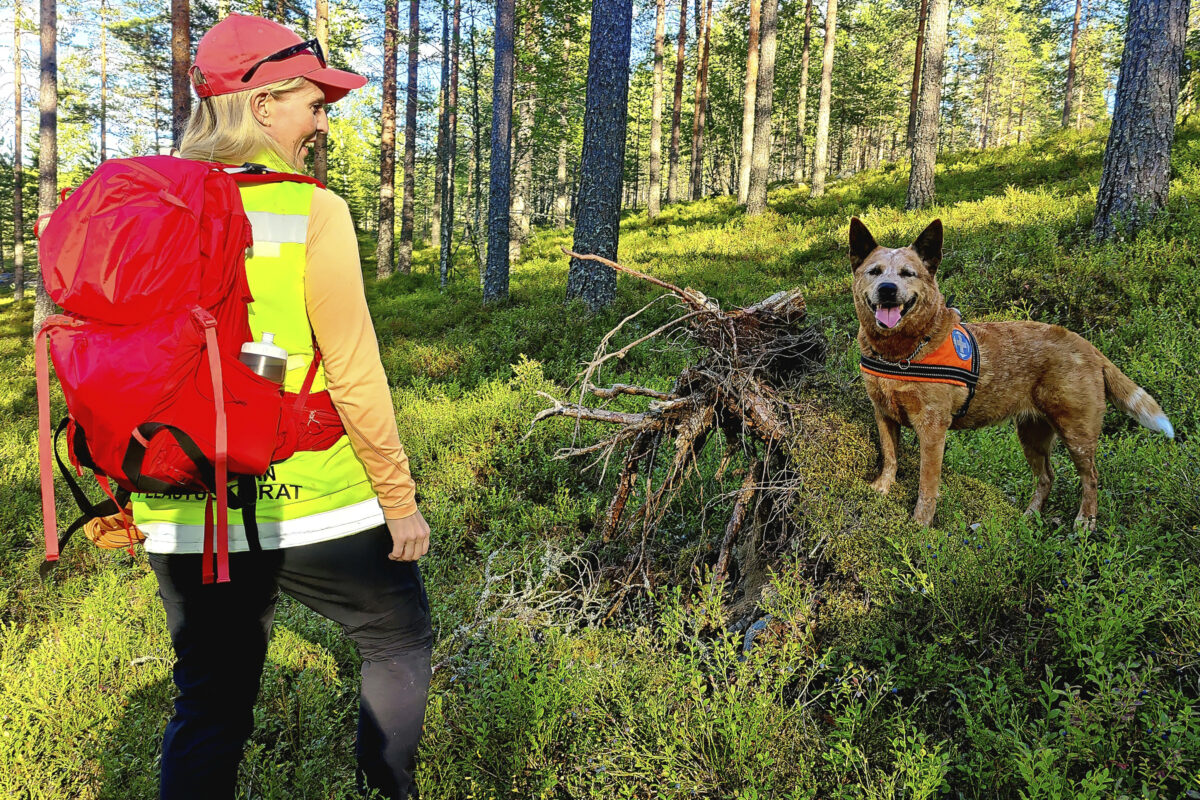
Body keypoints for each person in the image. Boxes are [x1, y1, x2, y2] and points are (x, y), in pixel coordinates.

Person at [131, 14, 433, 800]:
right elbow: (356, 374)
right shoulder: (311, 212)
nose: (322, 123)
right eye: (315, 104)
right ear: (263, 105)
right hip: (310, 503)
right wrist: (398, 501)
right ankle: (386, 791)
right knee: (398, 635)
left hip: (182, 503)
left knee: (210, 704)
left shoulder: (147, 212)